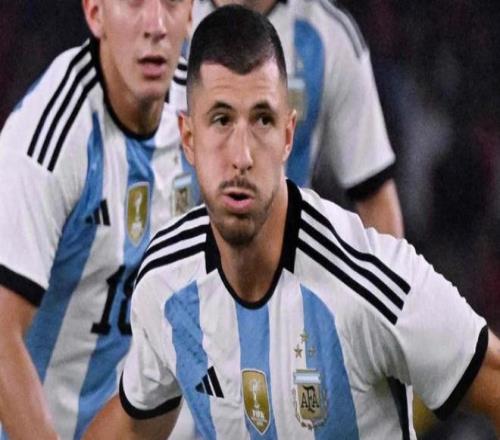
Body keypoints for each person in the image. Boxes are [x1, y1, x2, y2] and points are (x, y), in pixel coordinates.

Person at [86, 6, 499, 439]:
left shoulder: (368, 282)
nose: (242, 156)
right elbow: (134, 426)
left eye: (262, 121)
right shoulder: (166, 282)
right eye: (221, 120)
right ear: (188, 138)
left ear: (287, 136)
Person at [0, 0, 193, 438]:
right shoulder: (48, 138)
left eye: (171, 2)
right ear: (95, 13)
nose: (155, 25)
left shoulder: (202, 112)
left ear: (191, 13)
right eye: (134, 2)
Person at [168, 0, 404, 238]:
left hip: (284, 253)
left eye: (264, 120)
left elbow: (374, 195)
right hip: (169, 251)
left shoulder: (329, 36)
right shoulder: (159, 19)